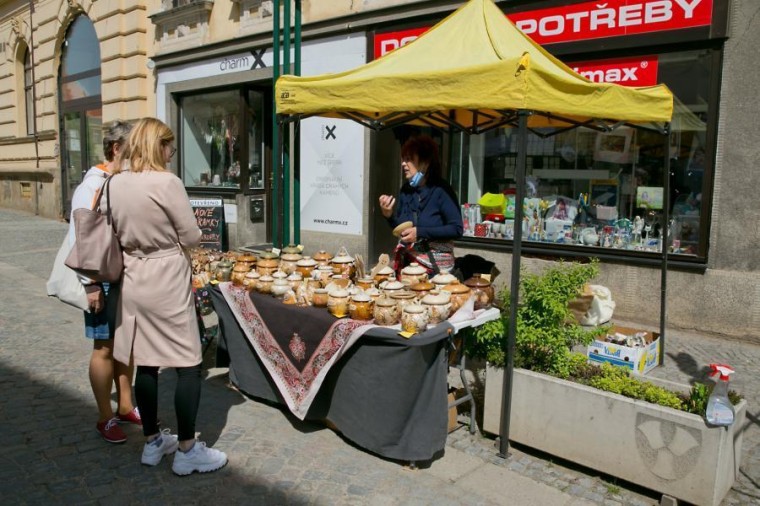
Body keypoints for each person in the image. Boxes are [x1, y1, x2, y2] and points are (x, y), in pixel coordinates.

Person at [108, 118, 228, 475]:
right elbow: (191, 235)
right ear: (157, 145)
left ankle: (152, 442)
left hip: (134, 275)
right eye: (169, 147)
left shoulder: (116, 183)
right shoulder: (167, 182)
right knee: (188, 362)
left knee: (146, 361)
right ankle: (188, 450)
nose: (171, 153)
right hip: (166, 276)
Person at [68, 120, 140, 444]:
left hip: (124, 277)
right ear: (116, 149)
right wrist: (90, 284)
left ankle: (125, 405)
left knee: (127, 345)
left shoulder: (121, 182)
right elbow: (80, 238)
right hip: (101, 281)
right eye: (133, 150)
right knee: (104, 348)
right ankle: (104, 417)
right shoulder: (92, 186)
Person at [378, 135, 463, 275]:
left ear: (425, 162)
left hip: (437, 270)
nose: (403, 164)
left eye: (409, 159)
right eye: (403, 159)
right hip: (409, 265)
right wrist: (388, 214)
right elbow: (402, 229)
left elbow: (457, 229)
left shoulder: (442, 190)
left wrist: (419, 232)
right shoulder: (406, 190)